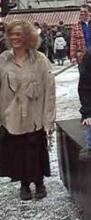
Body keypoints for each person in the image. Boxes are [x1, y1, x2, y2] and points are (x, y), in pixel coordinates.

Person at [0, 20, 56, 201]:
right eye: (12, 34)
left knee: (35, 149)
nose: (15, 37)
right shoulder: (3, 60)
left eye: (19, 34)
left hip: (35, 115)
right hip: (12, 116)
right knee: (17, 151)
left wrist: (49, 118)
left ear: (28, 36)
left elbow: (50, 90)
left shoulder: (40, 59)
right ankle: (24, 183)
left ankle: (39, 182)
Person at [70, 4, 91, 69]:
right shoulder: (75, 26)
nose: (83, 13)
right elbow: (73, 43)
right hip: (82, 57)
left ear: (89, 13)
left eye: (85, 12)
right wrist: (73, 57)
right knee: (84, 77)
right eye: (81, 12)